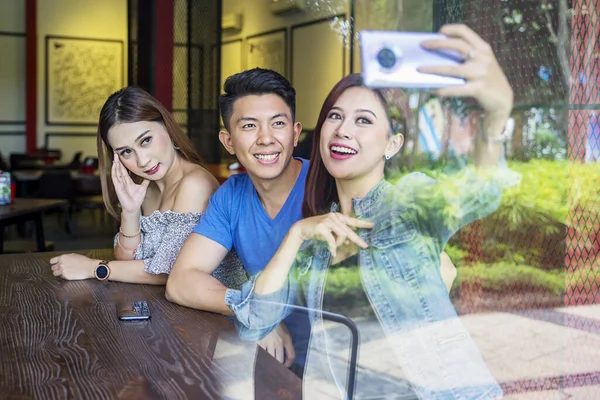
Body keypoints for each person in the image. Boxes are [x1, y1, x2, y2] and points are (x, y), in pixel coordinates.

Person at [224, 25, 519, 399]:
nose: (343, 130)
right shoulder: (316, 238)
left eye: (363, 120)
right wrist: (296, 235)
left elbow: (477, 192)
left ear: (391, 144)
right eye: (335, 116)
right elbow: (254, 321)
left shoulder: (406, 205)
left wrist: (497, 115)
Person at [166, 68, 458, 376]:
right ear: (228, 140)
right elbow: (182, 281)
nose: (266, 139)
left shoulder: (333, 182)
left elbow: (441, 272)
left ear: (295, 133)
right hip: (280, 365)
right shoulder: (232, 196)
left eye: (278, 124)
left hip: (343, 370)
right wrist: (257, 316)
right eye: (249, 126)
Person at [49, 87, 246, 290]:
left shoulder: (195, 184)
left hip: (219, 314)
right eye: (126, 152)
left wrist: (93, 268)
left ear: (167, 127)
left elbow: (171, 272)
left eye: (145, 141)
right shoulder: (146, 187)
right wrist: (131, 212)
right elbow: (126, 260)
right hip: (169, 307)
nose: (142, 161)